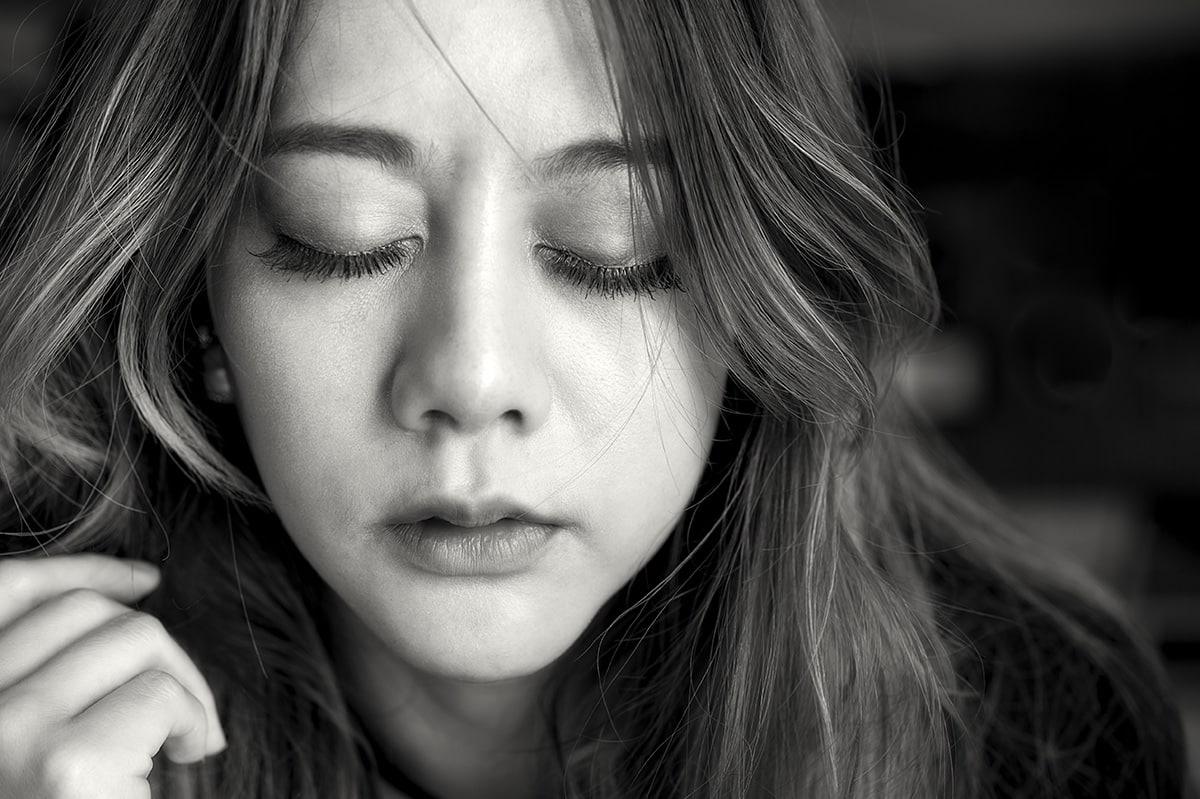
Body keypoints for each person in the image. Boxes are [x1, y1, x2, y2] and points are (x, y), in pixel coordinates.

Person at [0, 0, 1187, 797]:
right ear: (196, 308)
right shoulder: (33, 725)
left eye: (615, 245)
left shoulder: (1035, 738)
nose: (472, 381)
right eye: (341, 235)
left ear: (753, 301)